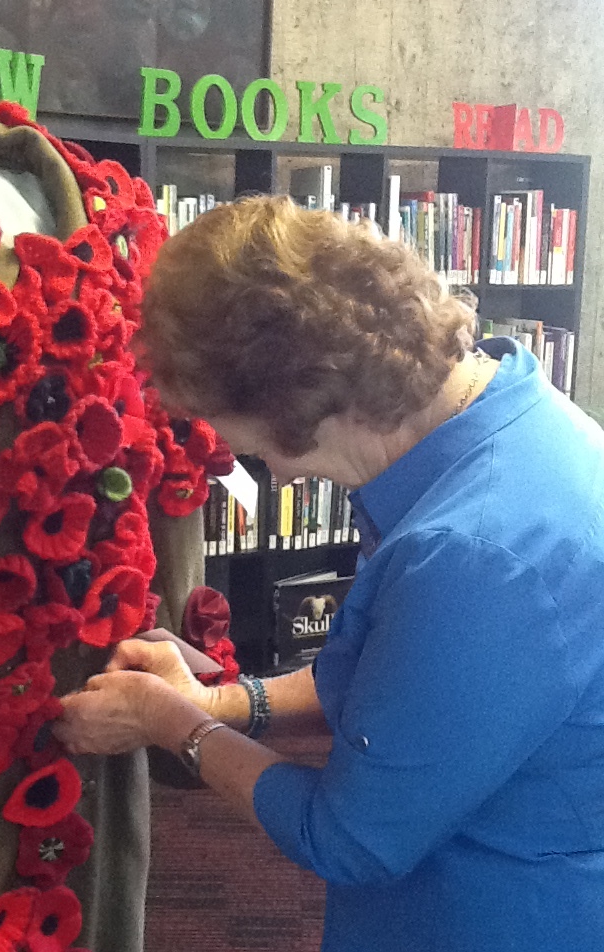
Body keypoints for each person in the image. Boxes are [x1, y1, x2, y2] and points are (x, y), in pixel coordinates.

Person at [55, 194, 604, 952]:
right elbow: (403, 688)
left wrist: (172, 721)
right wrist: (222, 699)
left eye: (247, 442)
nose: (271, 472)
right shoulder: (508, 415)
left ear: (299, 404)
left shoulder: (476, 555)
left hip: (489, 913)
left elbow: (350, 838)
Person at [0, 82, 220, 952]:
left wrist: (183, 665)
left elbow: (172, 472)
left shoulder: (127, 239)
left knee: (83, 905)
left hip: (83, 697)